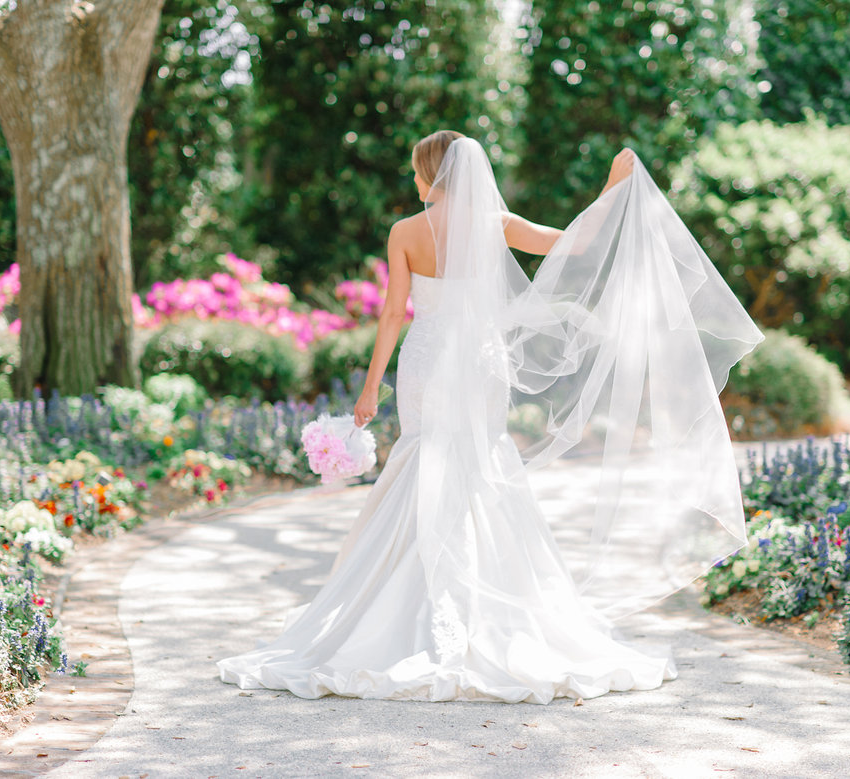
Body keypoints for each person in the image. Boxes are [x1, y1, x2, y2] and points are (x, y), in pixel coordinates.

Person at [217, 132, 764, 703]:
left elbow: (390, 316)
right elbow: (573, 246)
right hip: (481, 361)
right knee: (480, 459)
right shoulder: (494, 222)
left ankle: (403, 602)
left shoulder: (404, 232)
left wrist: (371, 387)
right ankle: (486, 598)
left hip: (427, 358)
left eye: (415, 170)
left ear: (432, 174)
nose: (412, 180)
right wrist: (609, 190)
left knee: (425, 452)